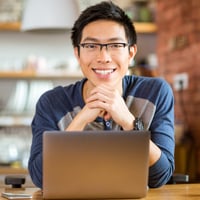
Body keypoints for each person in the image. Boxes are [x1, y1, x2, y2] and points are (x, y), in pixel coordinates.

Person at [28, 1, 175, 189]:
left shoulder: (156, 93)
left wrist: (129, 123)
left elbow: (160, 176)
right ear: (77, 54)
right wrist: (80, 120)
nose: (103, 57)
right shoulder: (51, 102)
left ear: (131, 53)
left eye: (115, 45)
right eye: (91, 46)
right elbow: (41, 178)